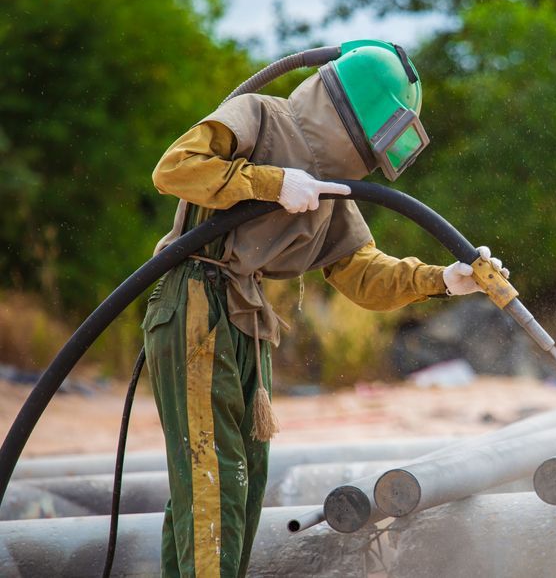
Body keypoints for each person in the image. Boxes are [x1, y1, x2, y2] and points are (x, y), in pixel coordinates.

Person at [142, 40, 504, 577]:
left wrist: (444, 281)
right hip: (196, 301)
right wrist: (270, 182)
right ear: (353, 118)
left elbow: (363, 274)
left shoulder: (333, 191)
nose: (375, 163)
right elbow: (175, 168)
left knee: (239, 483)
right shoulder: (261, 116)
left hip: (246, 319)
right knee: (211, 482)